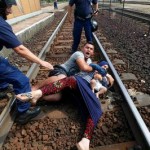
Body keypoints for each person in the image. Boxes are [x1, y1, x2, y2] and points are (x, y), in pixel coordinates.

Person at [16, 61, 113, 150]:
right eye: (104, 65)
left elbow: (107, 86)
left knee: (96, 110)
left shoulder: (104, 79)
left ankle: (85, 140)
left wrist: (106, 81)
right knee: (71, 80)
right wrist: (105, 73)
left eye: (106, 67)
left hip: (84, 95)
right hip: (79, 85)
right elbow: (96, 69)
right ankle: (39, 93)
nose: (105, 67)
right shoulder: (92, 67)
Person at [0, 0, 53, 124]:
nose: (10, 10)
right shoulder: (1, 25)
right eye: (8, 7)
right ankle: (23, 113)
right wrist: (41, 62)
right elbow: (19, 49)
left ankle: (2, 89)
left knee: (4, 63)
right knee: (22, 80)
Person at [32, 41, 98, 102]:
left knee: (57, 97)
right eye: (87, 47)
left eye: (91, 49)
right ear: (83, 49)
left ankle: (37, 97)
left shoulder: (89, 62)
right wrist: (95, 68)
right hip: (60, 70)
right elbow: (84, 67)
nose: (89, 49)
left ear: (92, 53)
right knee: (62, 77)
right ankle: (35, 88)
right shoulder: (79, 54)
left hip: (66, 81)